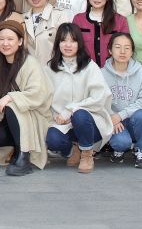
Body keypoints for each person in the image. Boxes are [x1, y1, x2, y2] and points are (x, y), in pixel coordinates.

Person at [0, 20, 54, 176]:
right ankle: (15, 147)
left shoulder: (30, 63)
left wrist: (9, 97)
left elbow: (38, 93)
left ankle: (24, 156)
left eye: (10, 39)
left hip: (33, 116)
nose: (5, 43)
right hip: (3, 117)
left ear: (20, 41)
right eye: (1, 39)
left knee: (13, 105)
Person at [43, 23, 113, 173]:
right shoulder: (50, 68)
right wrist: (57, 116)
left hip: (90, 120)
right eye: (63, 40)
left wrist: (70, 110)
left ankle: (87, 153)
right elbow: (45, 99)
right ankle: (74, 149)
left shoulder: (89, 66)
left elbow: (99, 97)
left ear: (79, 43)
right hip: (62, 122)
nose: (68, 45)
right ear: (58, 43)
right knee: (53, 140)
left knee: (79, 115)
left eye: (73, 41)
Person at [101, 32, 142, 167]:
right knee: (121, 143)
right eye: (118, 47)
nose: (122, 51)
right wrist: (111, 117)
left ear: (132, 52)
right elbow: (99, 101)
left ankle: (141, 151)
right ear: (110, 50)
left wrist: (121, 115)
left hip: (133, 119)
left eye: (127, 48)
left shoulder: (141, 72)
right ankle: (118, 150)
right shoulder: (101, 74)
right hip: (113, 121)